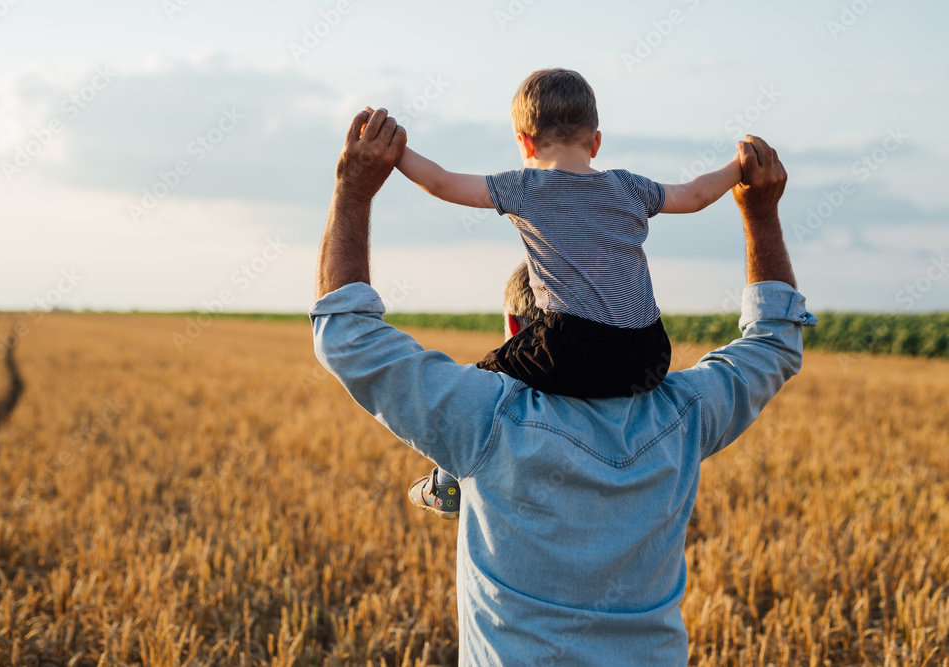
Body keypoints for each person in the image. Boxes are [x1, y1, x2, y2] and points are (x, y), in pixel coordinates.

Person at [311, 107, 816, 665]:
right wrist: (760, 214)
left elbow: (348, 338)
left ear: (516, 329)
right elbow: (773, 343)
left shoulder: (486, 421)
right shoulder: (684, 418)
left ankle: (444, 483)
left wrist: (353, 190)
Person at [395, 69, 743, 517]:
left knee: (474, 387)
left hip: (571, 348)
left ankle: (445, 487)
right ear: (595, 142)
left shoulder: (524, 185)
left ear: (524, 143)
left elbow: (442, 182)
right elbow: (695, 194)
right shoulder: (630, 186)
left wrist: (395, 151)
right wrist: (738, 166)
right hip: (650, 353)